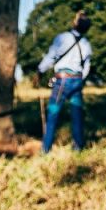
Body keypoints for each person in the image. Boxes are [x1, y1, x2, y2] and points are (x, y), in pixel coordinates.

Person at [37, 10, 92, 153]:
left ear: (75, 23)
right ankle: (78, 147)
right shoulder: (86, 44)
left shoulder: (62, 38)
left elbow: (50, 57)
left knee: (53, 113)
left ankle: (46, 149)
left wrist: (39, 71)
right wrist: (80, 78)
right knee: (77, 115)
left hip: (62, 80)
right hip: (77, 80)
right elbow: (86, 68)